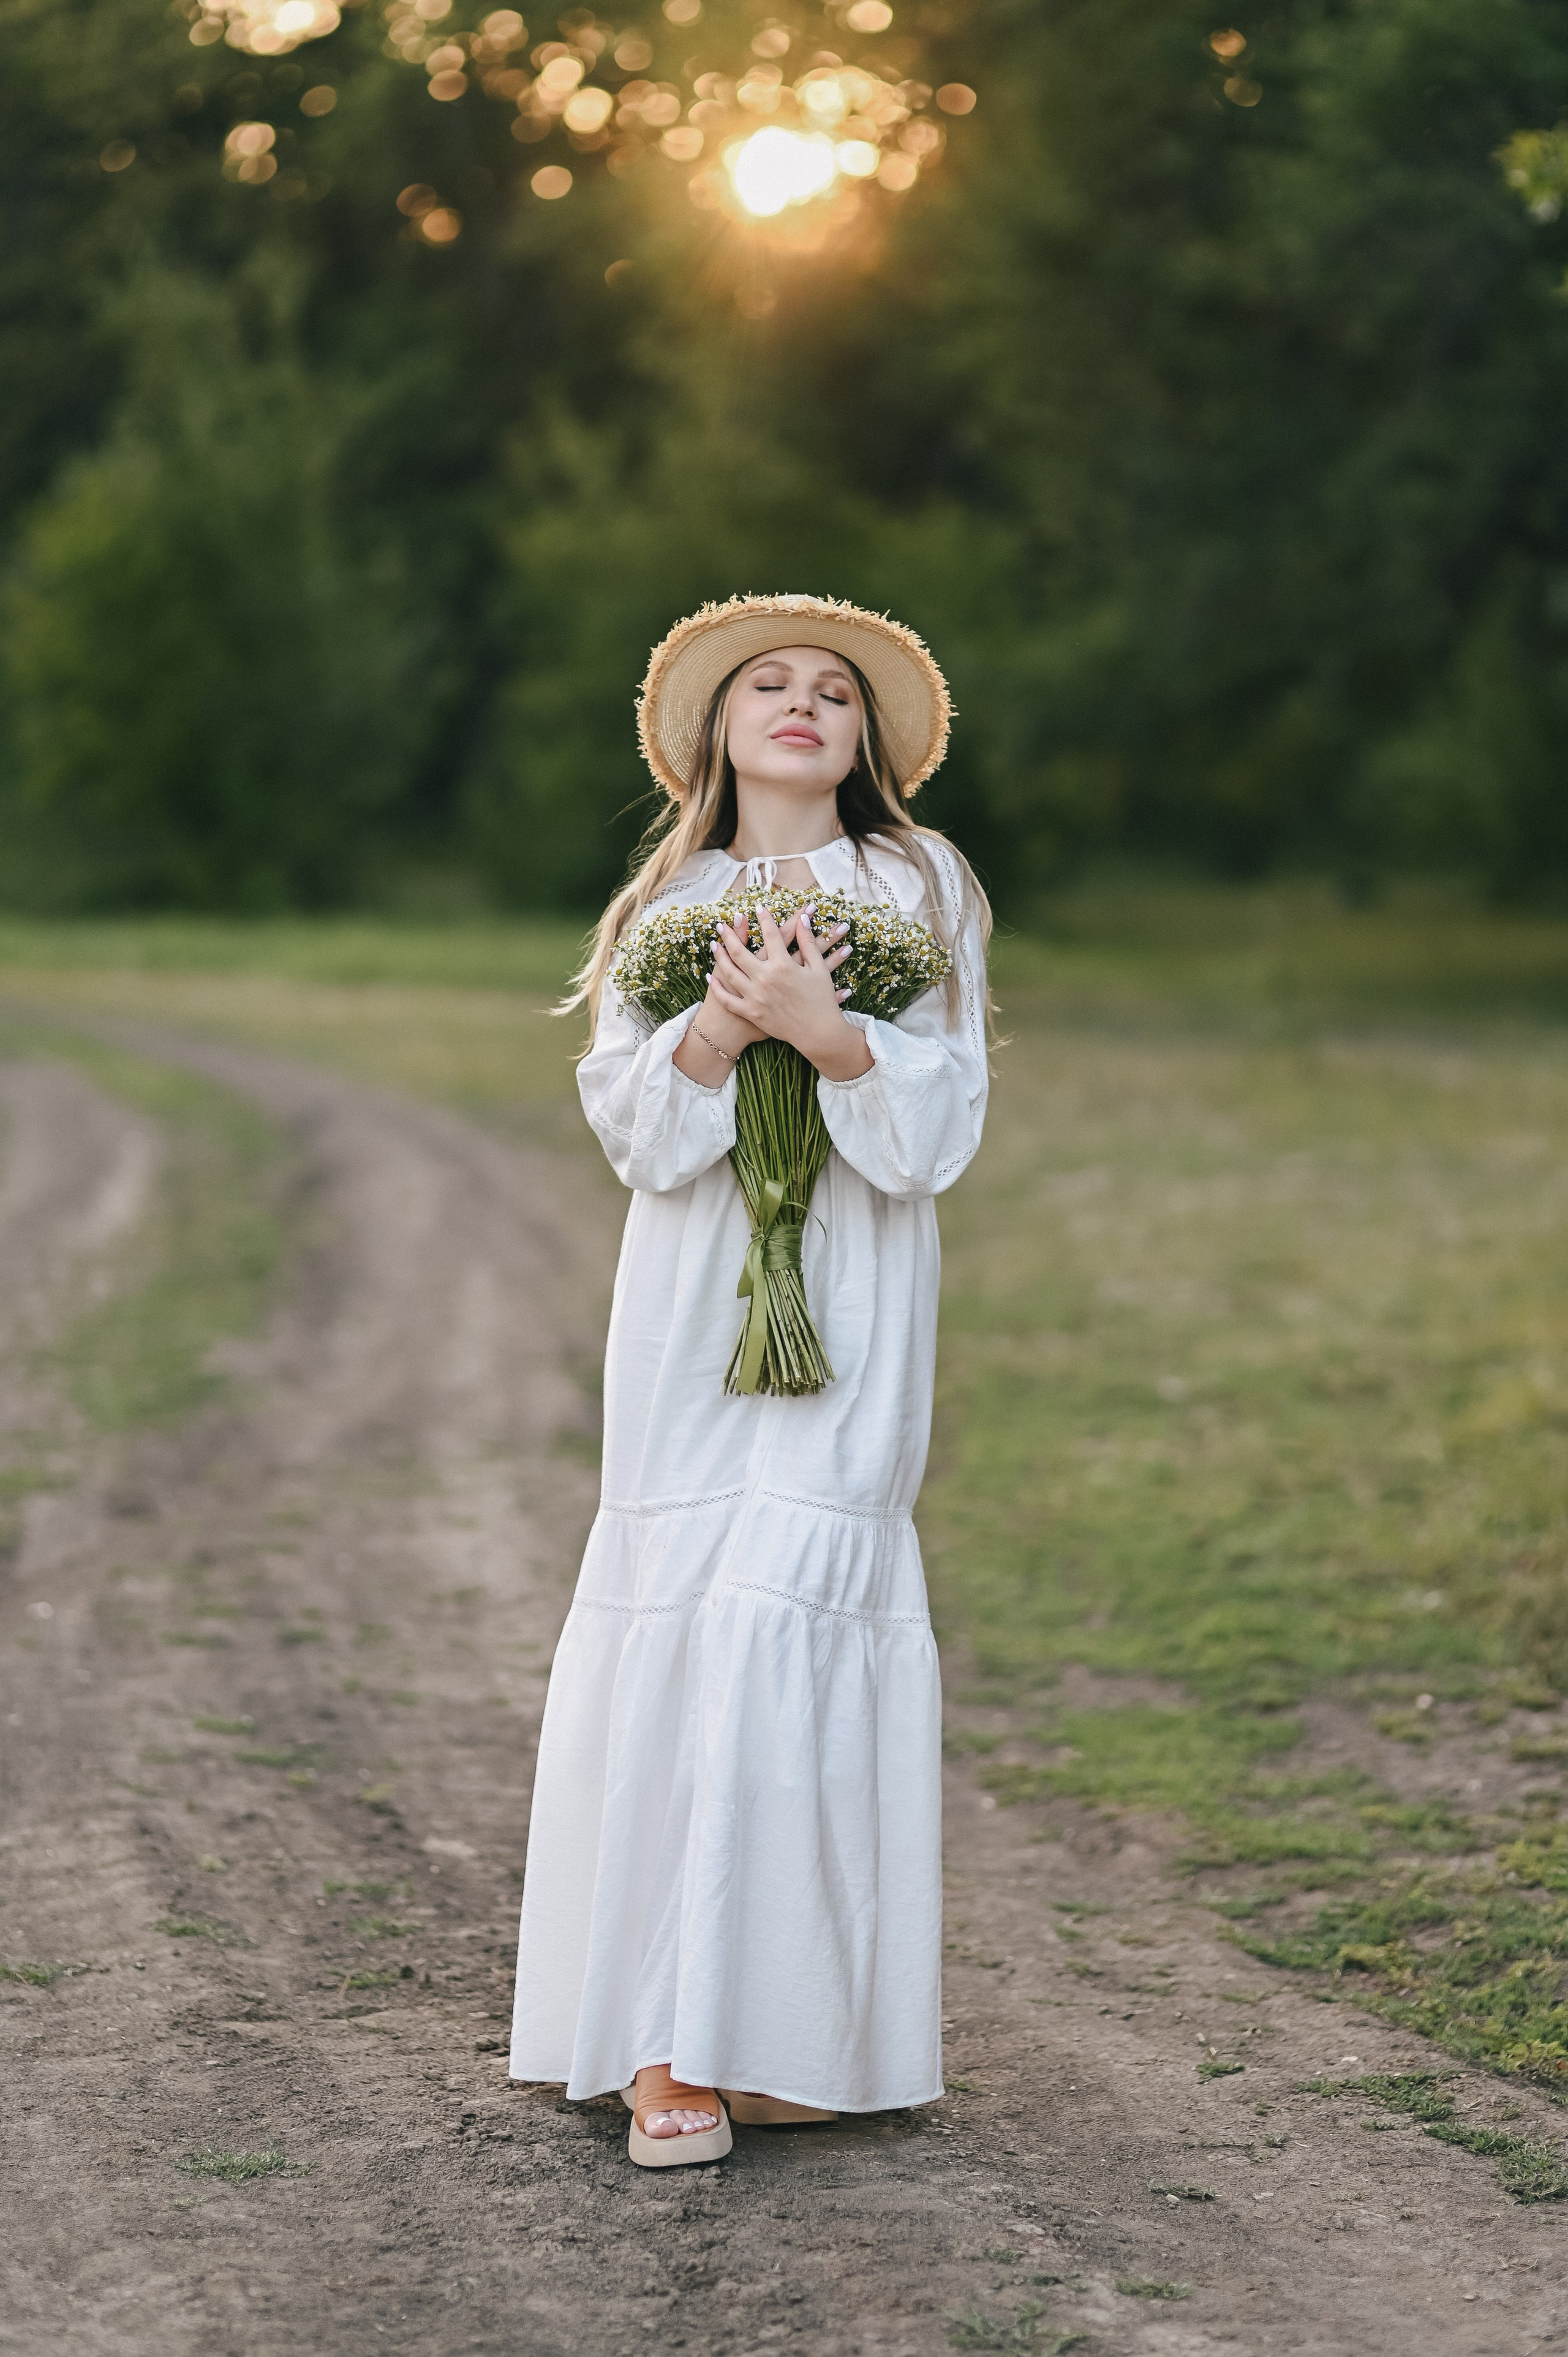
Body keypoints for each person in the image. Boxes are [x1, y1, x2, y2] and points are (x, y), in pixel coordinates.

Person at [508, 592, 991, 2168]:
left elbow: (940, 1130)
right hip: (692, 1315)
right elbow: (636, 1139)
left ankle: (793, 2026)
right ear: (716, 731)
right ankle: (664, 2039)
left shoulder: (917, 883)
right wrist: (717, 1032)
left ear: (865, 744)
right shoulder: (672, 891)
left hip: (849, 1300)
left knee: (795, 1600)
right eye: (768, 684)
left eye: (834, 692)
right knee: (697, 1607)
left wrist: (833, 1038)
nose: (801, 702)